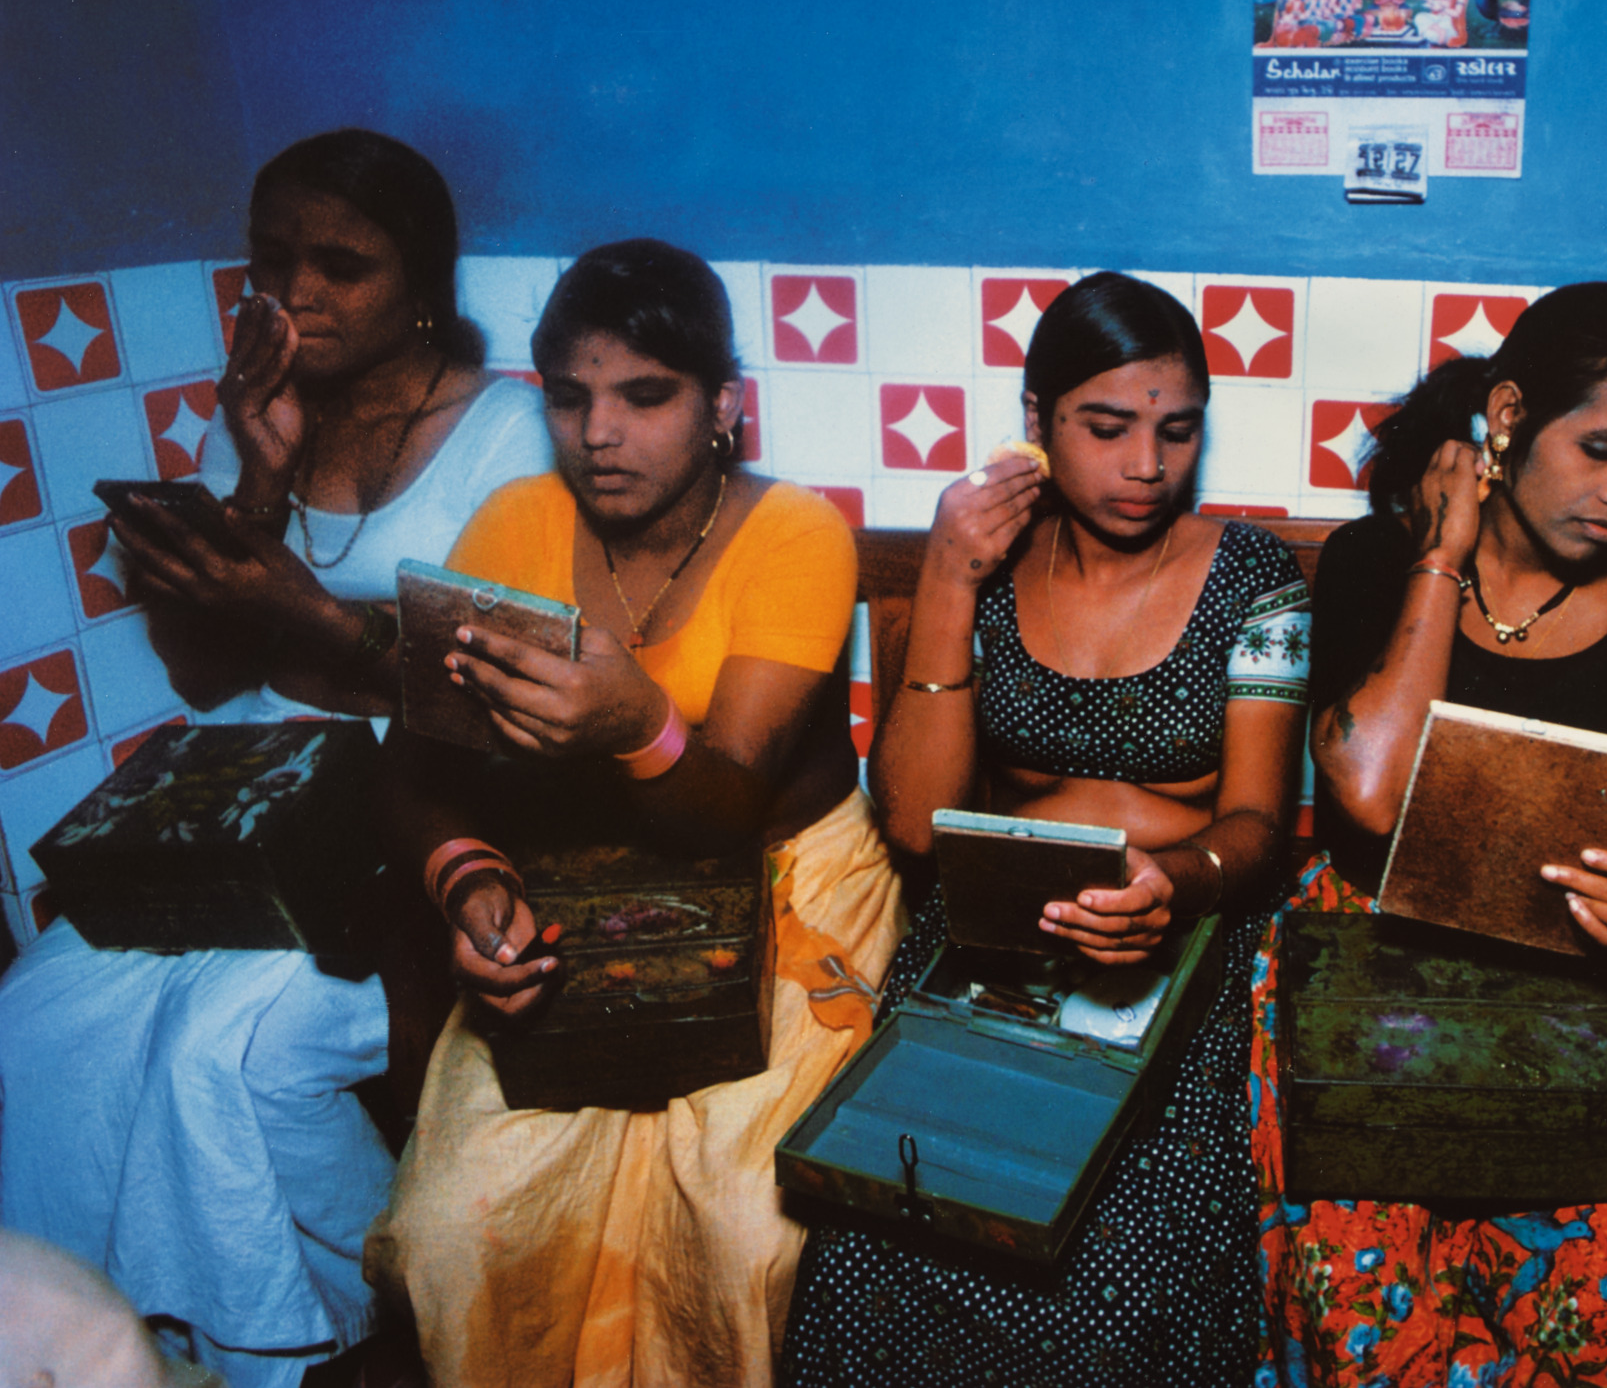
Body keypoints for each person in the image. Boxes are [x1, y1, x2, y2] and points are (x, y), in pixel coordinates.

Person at [0, 130, 550, 1388]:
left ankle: (320, 1334)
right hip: (253, 766)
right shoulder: (263, 415)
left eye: (340, 265)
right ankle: (92, 1334)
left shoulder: (507, 434)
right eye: (272, 261)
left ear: (423, 286)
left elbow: (495, 699)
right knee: (38, 1020)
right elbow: (202, 675)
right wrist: (259, 470)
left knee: (221, 1051)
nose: (294, 293)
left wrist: (305, 609)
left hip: (422, 790)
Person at [362, 240, 891, 1388]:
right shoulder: (513, 526)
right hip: (560, 880)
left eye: (646, 396)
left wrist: (638, 722)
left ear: (723, 408)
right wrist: (470, 883)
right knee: (455, 1229)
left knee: (741, 1232)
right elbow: (411, 774)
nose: (600, 433)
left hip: (787, 885)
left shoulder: (794, 533)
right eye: (570, 397)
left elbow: (723, 805)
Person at [779, 271, 1311, 1388]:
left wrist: (1174, 882)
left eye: (1176, 431)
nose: (1147, 465)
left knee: (1120, 1267)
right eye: (1107, 428)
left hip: (1181, 937)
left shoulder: (1255, 581)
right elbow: (918, 824)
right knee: (882, 1231)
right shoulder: (989, 566)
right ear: (1037, 423)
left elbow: (1260, 824)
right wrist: (946, 576)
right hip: (987, 937)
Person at [1256, 283, 1607, 1387]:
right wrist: (1441, 554)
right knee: (1360, 1305)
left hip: (1576, 984)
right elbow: (1369, 796)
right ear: (1509, 416)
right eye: (1602, 448)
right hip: (1367, 963)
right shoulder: (1378, 565)